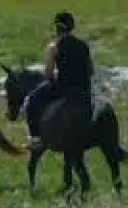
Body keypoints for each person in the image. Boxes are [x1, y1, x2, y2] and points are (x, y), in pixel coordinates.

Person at [25, 12, 94, 152]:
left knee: (33, 99)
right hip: (84, 89)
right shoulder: (83, 45)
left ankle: (36, 138)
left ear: (57, 28)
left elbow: (48, 74)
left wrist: (56, 74)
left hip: (64, 88)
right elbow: (91, 70)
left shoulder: (54, 46)